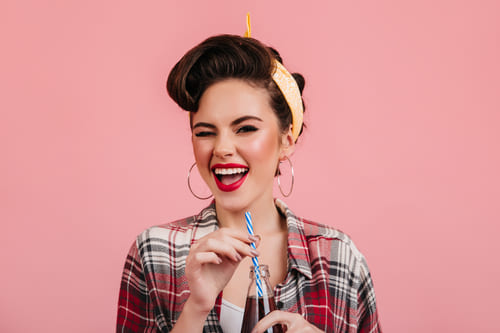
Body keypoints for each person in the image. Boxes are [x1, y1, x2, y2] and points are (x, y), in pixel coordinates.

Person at [116, 20, 382, 333]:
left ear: (287, 140)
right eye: (205, 132)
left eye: (246, 128)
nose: (222, 148)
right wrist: (196, 308)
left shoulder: (337, 258)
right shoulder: (155, 253)